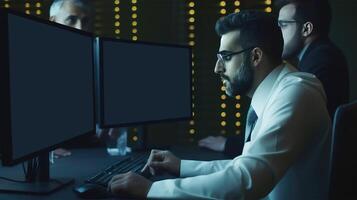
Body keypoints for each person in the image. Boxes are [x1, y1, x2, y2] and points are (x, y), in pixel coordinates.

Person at [107, 10, 332, 199]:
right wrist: (182, 166)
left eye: (225, 57)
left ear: (255, 57)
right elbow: (246, 166)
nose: (216, 68)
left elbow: (247, 178)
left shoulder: (295, 93)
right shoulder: (276, 91)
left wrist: (151, 189)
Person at [198, 0, 349, 157]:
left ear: (306, 29)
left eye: (282, 25)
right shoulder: (313, 58)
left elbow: (289, 127)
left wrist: (229, 145)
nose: (277, 32)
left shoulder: (317, 65)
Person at [49, 0, 95, 158]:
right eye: (71, 20)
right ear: (53, 21)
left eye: (85, 21)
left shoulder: (93, 62)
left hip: (87, 154)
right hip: (50, 161)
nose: (80, 28)